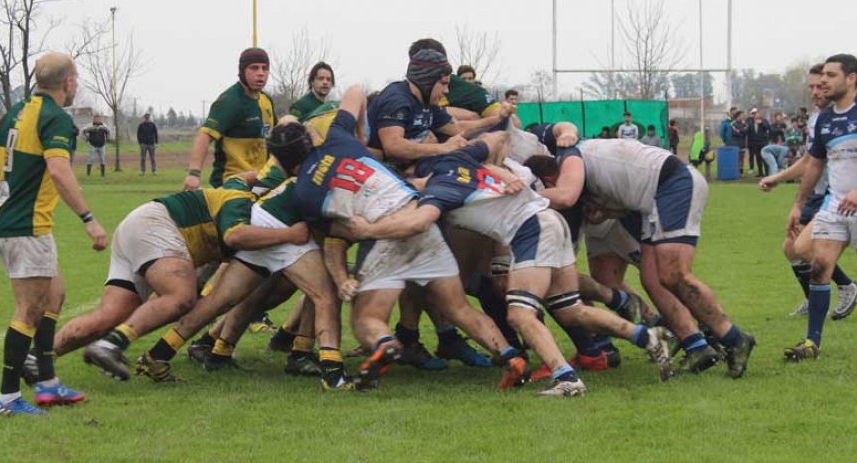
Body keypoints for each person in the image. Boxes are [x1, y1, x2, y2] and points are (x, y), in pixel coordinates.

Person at [346, 132, 674, 396]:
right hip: (549, 219)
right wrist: (498, 169)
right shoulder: (457, 158)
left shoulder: (437, 190)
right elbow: (500, 137)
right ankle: (647, 337)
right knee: (571, 309)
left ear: (411, 175)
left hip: (530, 228)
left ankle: (567, 379)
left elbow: (418, 223)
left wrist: (368, 230)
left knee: (519, 314)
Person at [292, 86, 524, 392]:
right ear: (312, 142)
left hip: (386, 235)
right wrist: (360, 135)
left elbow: (334, 237)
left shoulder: (302, 195)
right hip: (421, 220)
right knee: (459, 309)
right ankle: (509, 355)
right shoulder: (338, 136)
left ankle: (385, 342)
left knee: (365, 317)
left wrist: (343, 273)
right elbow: (356, 91)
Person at [526, 123, 757, 378]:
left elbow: (567, 195)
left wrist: (523, 196)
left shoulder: (569, 156)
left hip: (673, 184)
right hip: (654, 198)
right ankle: (696, 345)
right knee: (653, 279)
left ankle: (733, 338)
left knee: (674, 274)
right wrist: (606, 212)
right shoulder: (579, 159)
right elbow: (622, 194)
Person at [0, 52, 108, 417]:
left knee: (55, 296)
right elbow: (60, 171)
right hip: (26, 227)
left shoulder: (19, 110)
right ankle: (7, 397)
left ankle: (47, 383)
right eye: (75, 79)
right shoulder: (56, 119)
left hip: (22, 224)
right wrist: (88, 219)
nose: (76, 84)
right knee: (30, 309)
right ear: (67, 82)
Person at [58, 174, 268, 382]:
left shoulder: (239, 194)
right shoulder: (243, 205)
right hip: (158, 225)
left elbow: (242, 177)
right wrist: (294, 234)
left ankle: (36, 359)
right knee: (180, 297)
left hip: (142, 223)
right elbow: (234, 235)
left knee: (109, 317)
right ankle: (111, 344)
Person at [782, 54, 857, 362]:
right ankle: (811, 343)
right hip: (834, 205)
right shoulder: (824, 119)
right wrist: (798, 205)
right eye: (822, 75)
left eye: (831, 75)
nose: (823, 81)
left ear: (851, 79)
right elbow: (814, 164)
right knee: (820, 266)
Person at [760, 64, 857, 320]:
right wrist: (779, 177)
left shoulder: (846, 116)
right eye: (812, 87)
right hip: (816, 193)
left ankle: (847, 286)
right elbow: (809, 160)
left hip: (835, 194)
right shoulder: (816, 118)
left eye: (821, 86)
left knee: (805, 247)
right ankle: (812, 298)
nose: (816, 92)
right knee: (790, 248)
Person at [183, 48, 277, 190]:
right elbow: (205, 134)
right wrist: (194, 174)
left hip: (260, 184)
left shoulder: (266, 101)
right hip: (231, 185)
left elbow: (274, 137)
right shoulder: (229, 101)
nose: (261, 73)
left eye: (265, 69)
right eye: (254, 68)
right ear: (242, 71)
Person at [746, 109, 771, 177]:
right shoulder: (750, 121)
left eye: (756, 113)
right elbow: (747, 130)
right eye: (753, 114)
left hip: (763, 142)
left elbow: (768, 127)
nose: (755, 115)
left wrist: (761, 123)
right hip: (755, 142)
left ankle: (767, 172)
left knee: (765, 157)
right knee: (758, 157)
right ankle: (760, 172)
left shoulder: (764, 120)